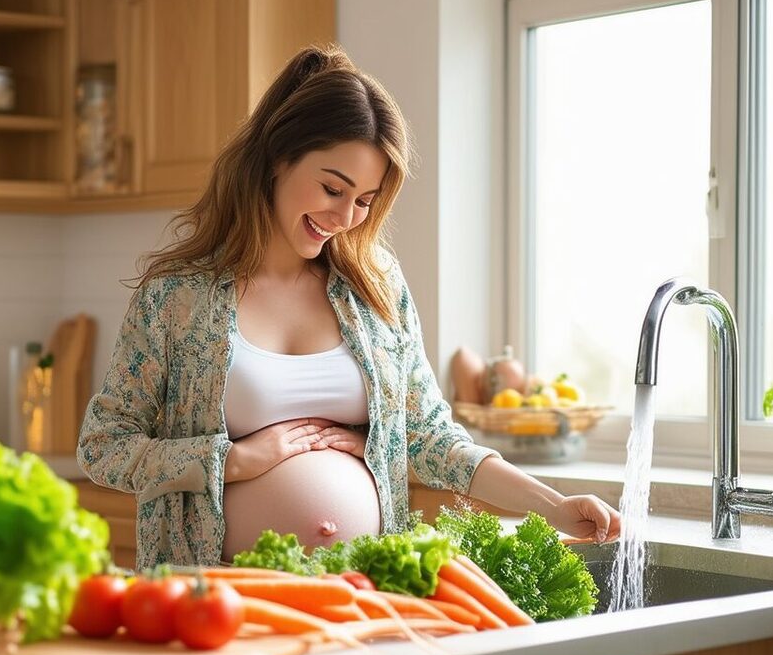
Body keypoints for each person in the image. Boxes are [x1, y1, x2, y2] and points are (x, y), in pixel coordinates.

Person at [77, 44, 621, 570]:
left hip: (361, 597)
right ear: (276, 160)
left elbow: (431, 438)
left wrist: (553, 505)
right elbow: (103, 446)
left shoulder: (375, 289)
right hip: (218, 596)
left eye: (365, 200)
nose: (346, 217)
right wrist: (231, 460)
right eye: (333, 189)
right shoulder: (178, 299)